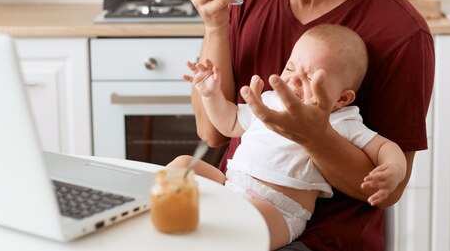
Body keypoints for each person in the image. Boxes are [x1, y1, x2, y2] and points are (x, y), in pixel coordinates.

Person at [178, 0, 435, 251]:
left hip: (318, 239)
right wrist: (214, 25)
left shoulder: (400, 32)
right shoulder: (244, 1)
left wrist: (315, 136)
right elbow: (212, 132)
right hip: (232, 208)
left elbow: (387, 189)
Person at [169, 24, 407, 250]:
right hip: (230, 184)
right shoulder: (271, 100)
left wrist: (394, 168)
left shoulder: (341, 120)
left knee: (238, 229)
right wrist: (211, 95)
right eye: (290, 68)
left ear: (342, 99)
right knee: (181, 165)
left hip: (278, 211)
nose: (292, 79)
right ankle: (157, 214)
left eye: (309, 77)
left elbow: (384, 146)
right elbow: (230, 123)